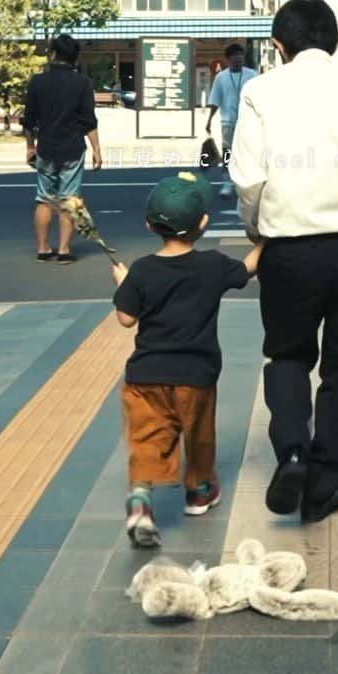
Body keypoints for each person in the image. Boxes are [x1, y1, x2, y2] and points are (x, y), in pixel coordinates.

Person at [229, 0, 338, 524]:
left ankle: (290, 453)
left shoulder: (260, 91)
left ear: (278, 47)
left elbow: (248, 178)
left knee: (287, 356)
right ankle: (323, 488)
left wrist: (256, 229)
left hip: (288, 248)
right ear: (334, 43)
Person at [111, 173, 264, 548]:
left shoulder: (143, 270)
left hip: (146, 376)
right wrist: (267, 240)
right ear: (203, 224)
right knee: (199, 435)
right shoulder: (212, 264)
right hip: (196, 375)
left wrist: (123, 282)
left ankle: (141, 498)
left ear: (150, 225)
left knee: (146, 438)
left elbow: (126, 318)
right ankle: (199, 491)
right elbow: (247, 269)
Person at [23, 33, 102, 263]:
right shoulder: (83, 83)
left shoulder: (37, 82)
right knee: (70, 199)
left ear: (54, 53)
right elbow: (89, 120)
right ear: (75, 58)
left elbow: (29, 120)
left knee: (44, 199)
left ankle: (43, 249)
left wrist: (30, 146)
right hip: (73, 148)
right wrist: (97, 149)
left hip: (46, 148)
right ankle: (65, 251)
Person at [205, 43, 258, 197]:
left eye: (241, 55)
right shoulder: (221, 77)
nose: (239, 58)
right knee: (227, 153)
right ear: (228, 59)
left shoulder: (253, 75)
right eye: (235, 55)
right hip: (227, 122)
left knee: (248, 153)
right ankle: (227, 183)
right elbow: (215, 100)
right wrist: (209, 120)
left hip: (249, 121)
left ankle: (247, 183)